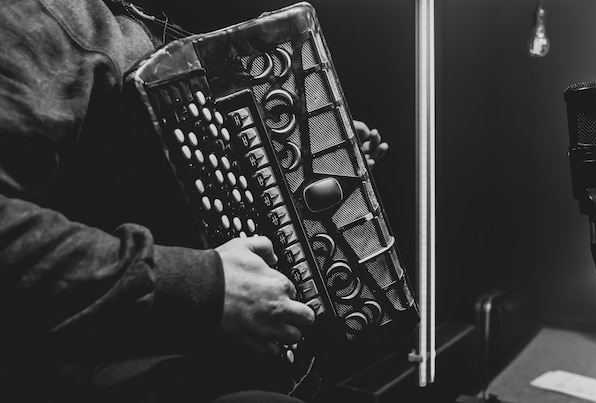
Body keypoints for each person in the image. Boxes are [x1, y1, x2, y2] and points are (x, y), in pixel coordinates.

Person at [0, 0, 388, 402]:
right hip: (102, 365)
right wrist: (205, 287)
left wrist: (307, 161)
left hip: (220, 354)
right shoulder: (42, 17)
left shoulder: (132, 17)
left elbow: (195, 175)